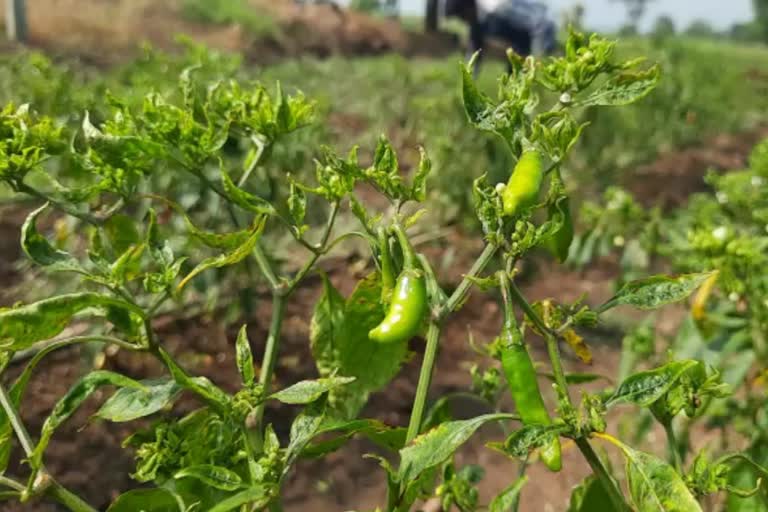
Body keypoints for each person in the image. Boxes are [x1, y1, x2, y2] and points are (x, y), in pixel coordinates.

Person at [443, 0, 558, 72]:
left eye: (462, 16)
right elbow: (475, 54)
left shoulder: (499, 9)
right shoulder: (477, 23)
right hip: (519, 53)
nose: (464, 21)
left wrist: (538, 60)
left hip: (541, 41)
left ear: (469, 7)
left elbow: (542, 24)